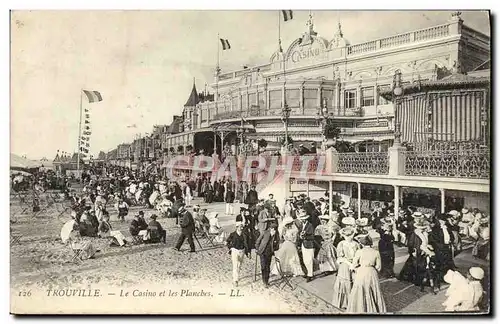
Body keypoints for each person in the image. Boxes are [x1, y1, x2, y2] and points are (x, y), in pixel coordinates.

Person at [346, 234, 387, 314]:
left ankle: (361, 308)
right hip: (372, 272)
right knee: (374, 290)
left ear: (361, 243)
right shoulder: (376, 252)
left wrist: (356, 269)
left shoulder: (359, 252)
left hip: (362, 271)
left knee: (360, 290)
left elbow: (354, 265)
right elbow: (379, 267)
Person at [332, 226, 360, 310]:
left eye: (351, 235)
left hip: (354, 266)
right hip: (345, 266)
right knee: (345, 284)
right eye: (347, 236)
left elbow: (358, 255)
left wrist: (354, 264)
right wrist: (349, 263)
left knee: (354, 283)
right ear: (344, 236)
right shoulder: (341, 244)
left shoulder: (356, 244)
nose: (349, 237)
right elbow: (340, 258)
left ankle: (353, 302)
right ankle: (344, 303)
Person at [226, 222, 251, 287]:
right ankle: (235, 280)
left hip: (242, 251)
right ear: (237, 227)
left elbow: (248, 244)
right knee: (235, 265)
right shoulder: (232, 234)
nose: (242, 228)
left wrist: (248, 252)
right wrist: (230, 247)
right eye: (240, 227)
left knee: (239, 266)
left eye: (242, 226)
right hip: (234, 251)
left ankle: (236, 276)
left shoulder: (245, 235)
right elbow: (227, 241)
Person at [255, 224, 280, 288]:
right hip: (262, 252)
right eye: (271, 229)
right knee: (263, 266)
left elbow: (277, 244)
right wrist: (257, 248)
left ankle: (266, 280)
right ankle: (264, 281)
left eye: (274, 229)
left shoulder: (276, 235)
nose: (272, 230)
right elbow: (258, 240)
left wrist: (275, 249)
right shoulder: (265, 232)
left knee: (268, 267)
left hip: (269, 253)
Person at [297, 209, 315, 282]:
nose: (302, 220)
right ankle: (308, 272)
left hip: (309, 244)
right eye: (302, 219)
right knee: (305, 259)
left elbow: (313, 237)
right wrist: (300, 236)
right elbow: (299, 233)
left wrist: (305, 237)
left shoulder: (310, 225)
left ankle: (310, 275)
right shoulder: (301, 225)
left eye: (303, 219)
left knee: (309, 260)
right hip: (303, 244)